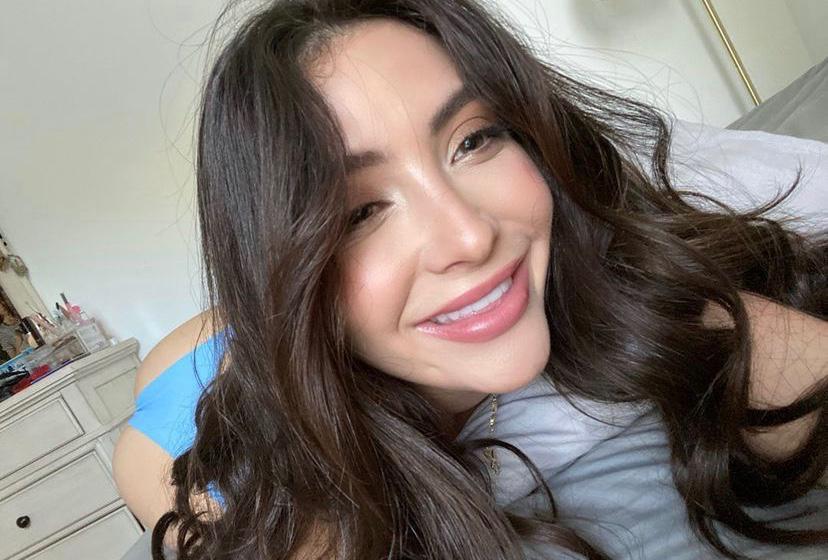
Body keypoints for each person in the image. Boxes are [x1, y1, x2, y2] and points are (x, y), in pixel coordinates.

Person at [112, 1, 828, 559]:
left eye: (474, 140)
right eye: (358, 211)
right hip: (194, 374)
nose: (470, 235)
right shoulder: (293, 485)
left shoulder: (651, 292)